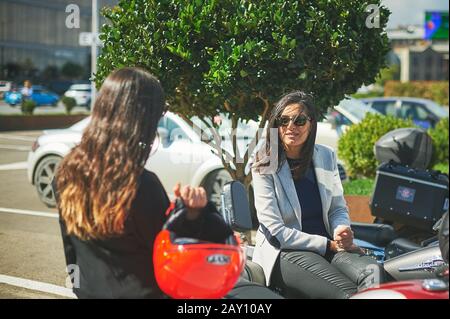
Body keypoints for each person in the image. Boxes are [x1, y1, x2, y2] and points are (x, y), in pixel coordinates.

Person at [53, 67, 281, 299]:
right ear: (141, 118)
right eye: (160, 112)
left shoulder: (67, 172)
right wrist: (194, 213)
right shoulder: (139, 184)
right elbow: (169, 251)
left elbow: (70, 252)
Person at [251, 91, 385, 299]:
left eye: (299, 120)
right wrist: (328, 245)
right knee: (348, 293)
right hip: (286, 252)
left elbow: (337, 208)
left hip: (330, 246)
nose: (291, 127)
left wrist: (341, 228)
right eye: (284, 120)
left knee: (376, 278)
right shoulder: (264, 163)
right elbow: (276, 231)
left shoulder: (325, 156)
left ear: (311, 124)